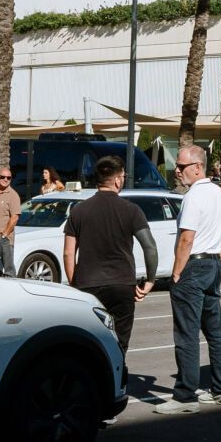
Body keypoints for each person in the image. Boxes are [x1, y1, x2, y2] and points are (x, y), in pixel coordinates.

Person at [157, 144, 221, 415]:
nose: (176, 171)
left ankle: (185, 396)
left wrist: (177, 271)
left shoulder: (193, 197)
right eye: (176, 167)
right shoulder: (218, 193)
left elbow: (186, 237)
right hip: (212, 264)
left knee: (187, 333)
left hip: (193, 266)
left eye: (181, 167)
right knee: (214, 330)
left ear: (197, 167)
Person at [63, 155, 158, 362]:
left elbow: (69, 252)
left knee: (88, 341)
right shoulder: (132, 210)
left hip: (88, 285)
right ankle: (117, 383)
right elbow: (149, 246)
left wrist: (74, 282)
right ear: (117, 180)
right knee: (119, 341)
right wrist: (150, 280)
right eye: (123, 176)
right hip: (122, 285)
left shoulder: (78, 211)